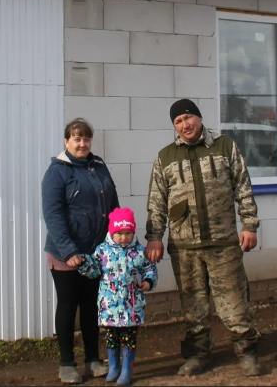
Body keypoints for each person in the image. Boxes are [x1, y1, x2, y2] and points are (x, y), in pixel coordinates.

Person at [144, 99, 262, 377]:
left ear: (198, 117)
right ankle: (198, 354)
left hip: (223, 243)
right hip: (184, 247)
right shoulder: (166, 157)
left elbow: (243, 187)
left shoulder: (225, 147)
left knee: (233, 302)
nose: (185, 125)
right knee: (193, 308)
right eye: (178, 121)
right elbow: (156, 201)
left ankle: (247, 350)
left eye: (188, 118)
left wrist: (250, 224)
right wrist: (154, 237)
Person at [42, 118, 119, 384]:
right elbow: (53, 215)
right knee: (68, 304)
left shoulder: (98, 167)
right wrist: (68, 251)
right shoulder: (57, 172)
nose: (82, 143)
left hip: (96, 253)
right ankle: (66, 363)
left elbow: (113, 205)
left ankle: (92, 359)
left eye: (86, 139)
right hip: (66, 253)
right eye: (77, 138)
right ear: (66, 142)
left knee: (90, 306)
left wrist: (115, 241)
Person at [78, 207, 158, 386]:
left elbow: (150, 269)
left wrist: (148, 282)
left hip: (131, 307)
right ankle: (113, 367)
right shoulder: (102, 251)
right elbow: (94, 270)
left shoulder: (139, 252)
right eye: (119, 233)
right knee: (111, 337)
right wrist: (84, 262)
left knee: (129, 338)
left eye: (128, 233)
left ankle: (127, 369)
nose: (124, 237)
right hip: (110, 306)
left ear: (133, 232)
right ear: (112, 232)